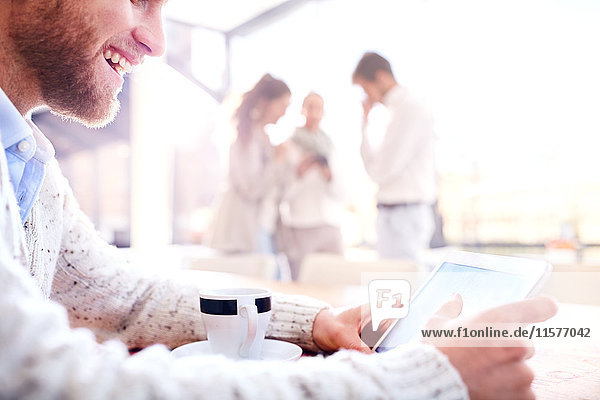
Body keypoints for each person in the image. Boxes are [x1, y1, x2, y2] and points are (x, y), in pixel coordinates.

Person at [0, 1, 557, 398]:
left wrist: (310, 322)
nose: (158, 41)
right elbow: (37, 378)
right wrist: (422, 382)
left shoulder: (27, 160)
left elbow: (126, 300)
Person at [353, 52, 437, 260]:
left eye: (366, 88)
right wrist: (364, 123)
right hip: (392, 214)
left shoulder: (410, 107)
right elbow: (376, 166)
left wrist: (375, 168)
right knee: (391, 284)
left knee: (402, 284)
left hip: (405, 214)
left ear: (380, 77)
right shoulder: (390, 112)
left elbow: (381, 171)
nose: (368, 96)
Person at [206, 74, 290, 256]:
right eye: (282, 106)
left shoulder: (263, 137)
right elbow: (250, 188)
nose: (284, 113)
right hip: (239, 227)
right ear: (265, 102)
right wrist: (276, 161)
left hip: (260, 225)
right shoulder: (246, 135)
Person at [278, 93, 344, 280]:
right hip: (301, 226)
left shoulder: (330, 148)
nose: (314, 113)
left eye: (318, 108)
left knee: (337, 279)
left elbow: (342, 194)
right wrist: (298, 174)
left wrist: (330, 178)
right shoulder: (289, 146)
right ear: (302, 111)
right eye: (310, 107)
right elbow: (281, 195)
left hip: (330, 225)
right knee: (302, 280)